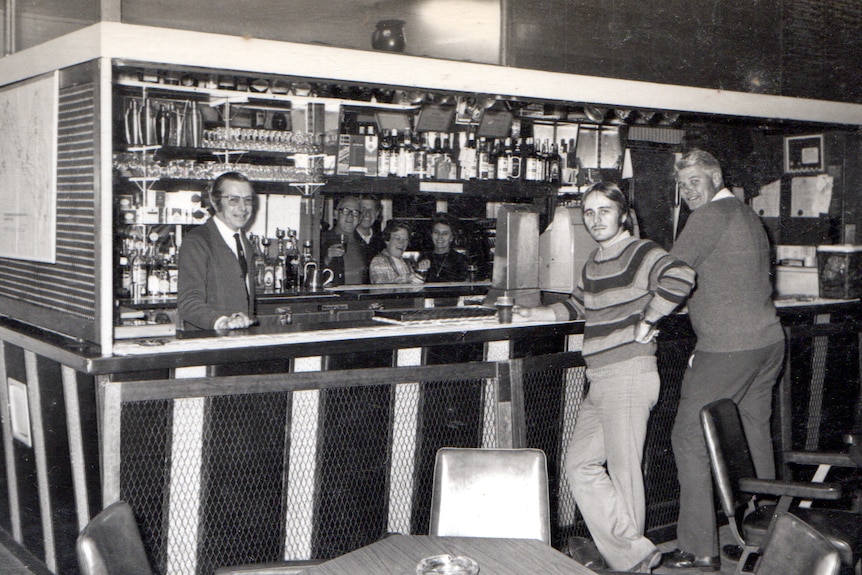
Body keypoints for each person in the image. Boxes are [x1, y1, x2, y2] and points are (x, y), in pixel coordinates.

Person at [516, 181, 695, 573]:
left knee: (625, 472)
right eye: (590, 212)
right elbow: (579, 304)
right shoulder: (594, 262)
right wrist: (538, 313)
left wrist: (650, 318)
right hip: (601, 378)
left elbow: (681, 275)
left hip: (629, 374)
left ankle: (634, 564)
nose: (596, 219)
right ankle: (634, 554)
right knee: (580, 465)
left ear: (623, 214)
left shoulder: (640, 251)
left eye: (605, 211)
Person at [662, 150, 785, 572]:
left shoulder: (708, 217)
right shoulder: (747, 214)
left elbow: (670, 275)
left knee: (689, 437)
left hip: (730, 347)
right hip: (768, 341)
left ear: (716, 177)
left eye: (696, 180)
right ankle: (767, 536)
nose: (688, 190)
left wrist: (641, 310)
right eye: (682, 184)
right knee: (753, 431)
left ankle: (700, 547)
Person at [178, 171, 257, 331]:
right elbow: (188, 302)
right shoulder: (197, 240)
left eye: (248, 200)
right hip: (208, 342)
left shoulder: (243, 242)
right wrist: (221, 322)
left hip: (238, 339)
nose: (243, 208)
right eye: (233, 200)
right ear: (215, 202)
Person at [320, 195, 368, 285]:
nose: (350, 216)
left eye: (355, 212)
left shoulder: (362, 244)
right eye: (345, 211)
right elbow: (309, 273)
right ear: (335, 214)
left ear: (359, 218)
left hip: (359, 298)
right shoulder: (322, 240)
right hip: (336, 298)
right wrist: (327, 258)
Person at [415, 212, 471, 282]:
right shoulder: (424, 257)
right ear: (431, 235)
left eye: (445, 233)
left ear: (451, 237)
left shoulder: (460, 259)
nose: (440, 236)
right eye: (436, 232)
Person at [355, 194, 386, 266]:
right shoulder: (348, 238)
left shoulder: (382, 241)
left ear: (377, 214)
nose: (367, 214)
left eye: (371, 210)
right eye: (363, 209)